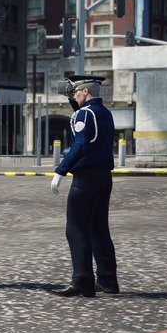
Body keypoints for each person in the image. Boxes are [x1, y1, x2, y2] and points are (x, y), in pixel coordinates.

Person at [50, 74, 119, 297]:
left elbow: (80, 143)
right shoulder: (104, 113)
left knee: (76, 229)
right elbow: (85, 125)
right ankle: (108, 281)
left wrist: (60, 170)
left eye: (76, 93)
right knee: (99, 229)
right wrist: (74, 101)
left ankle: (82, 281)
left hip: (85, 179)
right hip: (103, 178)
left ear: (85, 92)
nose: (74, 96)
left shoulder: (85, 113)